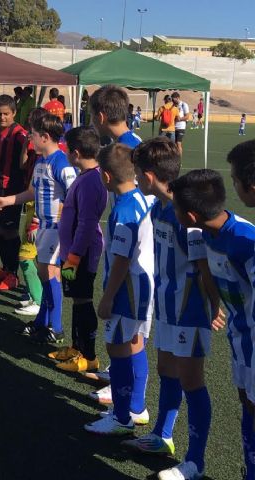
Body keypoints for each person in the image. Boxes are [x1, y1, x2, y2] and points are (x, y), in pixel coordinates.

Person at [125, 139, 223, 480]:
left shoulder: (186, 217)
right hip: (166, 306)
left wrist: (214, 304)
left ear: (150, 176)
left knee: (192, 381)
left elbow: (204, 264)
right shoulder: (158, 209)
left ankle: (195, 462)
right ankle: (162, 436)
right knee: (166, 368)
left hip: (189, 310)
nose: (135, 178)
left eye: (137, 173)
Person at [169, 166, 255, 480]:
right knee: (246, 402)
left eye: (176, 209)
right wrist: (216, 303)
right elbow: (209, 270)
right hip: (239, 339)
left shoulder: (246, 241)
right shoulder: (205, 232)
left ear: (190, 215)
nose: (173, 212)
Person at [83, 143, 153, 436]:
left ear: (106, 176)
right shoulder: (139, 198)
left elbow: (122, 259)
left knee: (117, 348)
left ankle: (122, 417)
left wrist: (108, 297)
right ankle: (135, 407)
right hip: (142, 287)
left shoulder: (123, 210)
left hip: (127, 290)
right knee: (134, 344)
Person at [0, 111, 77, 343]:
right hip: (43, 227)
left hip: (55, 228)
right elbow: (31, 192)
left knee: (49, 274)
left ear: (45, 137)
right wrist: (6, 200)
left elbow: (74, 197)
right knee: (45, 274)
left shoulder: (62, 163)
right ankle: (42, 322)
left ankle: (55, 327)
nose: (30, 138)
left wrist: (63, 226)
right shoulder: (40, 161)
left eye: (33, 134)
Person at [51, 126, 107, 372]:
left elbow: (86, 223)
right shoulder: (86, 176)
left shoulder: (91, 181)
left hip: (81, 254)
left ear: (75, 153)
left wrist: (73, 257)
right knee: (77, 300)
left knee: (84, 300)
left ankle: (89, 355)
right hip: (73, 253)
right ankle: (77, 347)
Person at [0, 94, 30, 291]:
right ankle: (6, 268)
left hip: (11, 190)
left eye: (6, 114)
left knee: (10, 231)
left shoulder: (20, 135)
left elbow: (25, 163)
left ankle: (13, 274)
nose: (2, 117)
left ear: (14, 113)